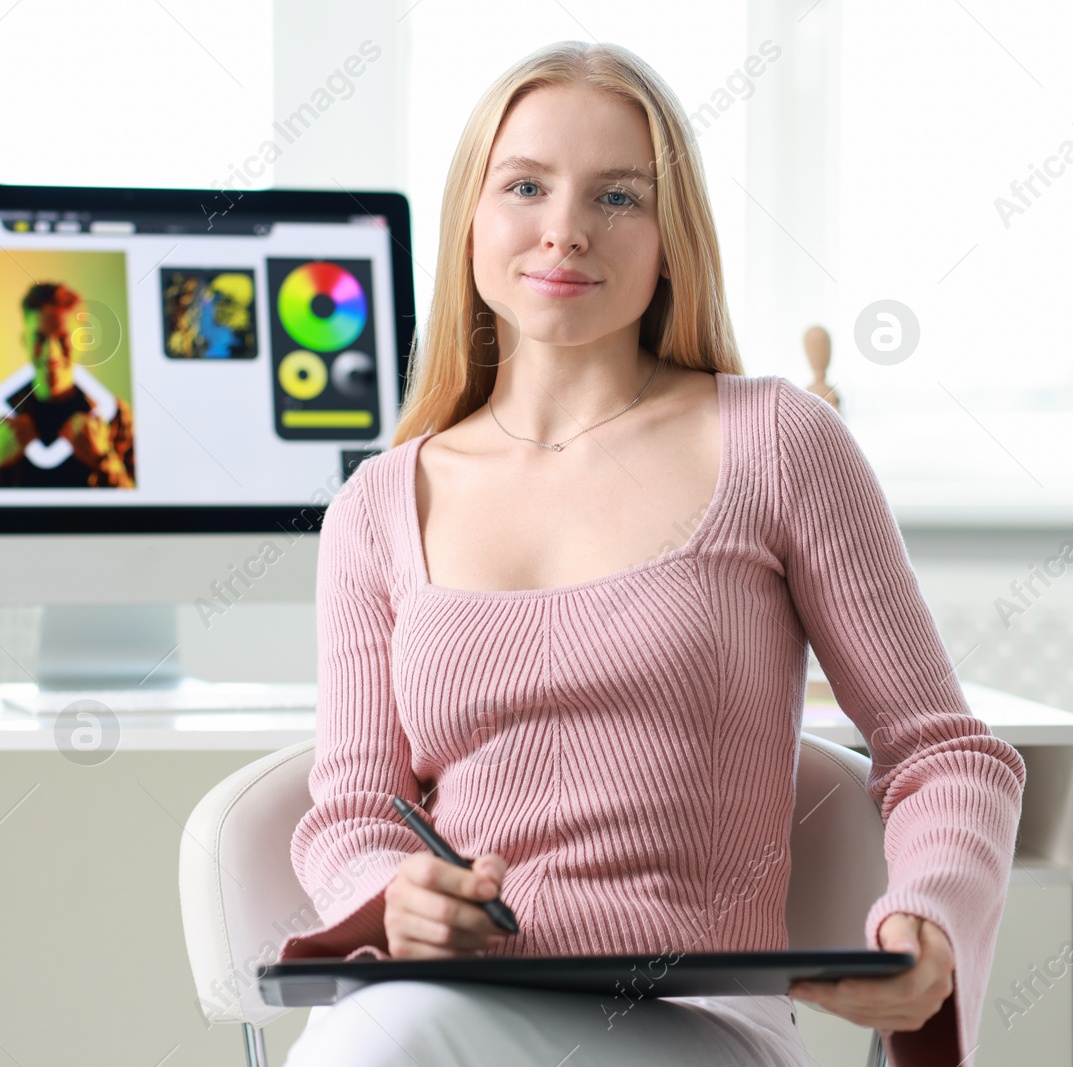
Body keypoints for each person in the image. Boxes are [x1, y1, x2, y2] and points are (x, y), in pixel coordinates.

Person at [276, 40, 1024, 1067]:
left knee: (384, 1037)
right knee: (386, 1023)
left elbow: (943, 752)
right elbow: (355, 809)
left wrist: (924, 917)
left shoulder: (780, 443)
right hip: (442, 1006)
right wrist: (392, 895)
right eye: (525, 185)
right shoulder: (375, 506)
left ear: (671, 241)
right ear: (470, 222)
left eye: (618, 197)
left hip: (703, 1025)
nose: (566, 229)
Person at [0, 282, 135, 488]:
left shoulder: (115, 415)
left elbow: (146, 511)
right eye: (39, 338)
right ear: (24, 341)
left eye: (63, 339)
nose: (51, 353)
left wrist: (102, 461)